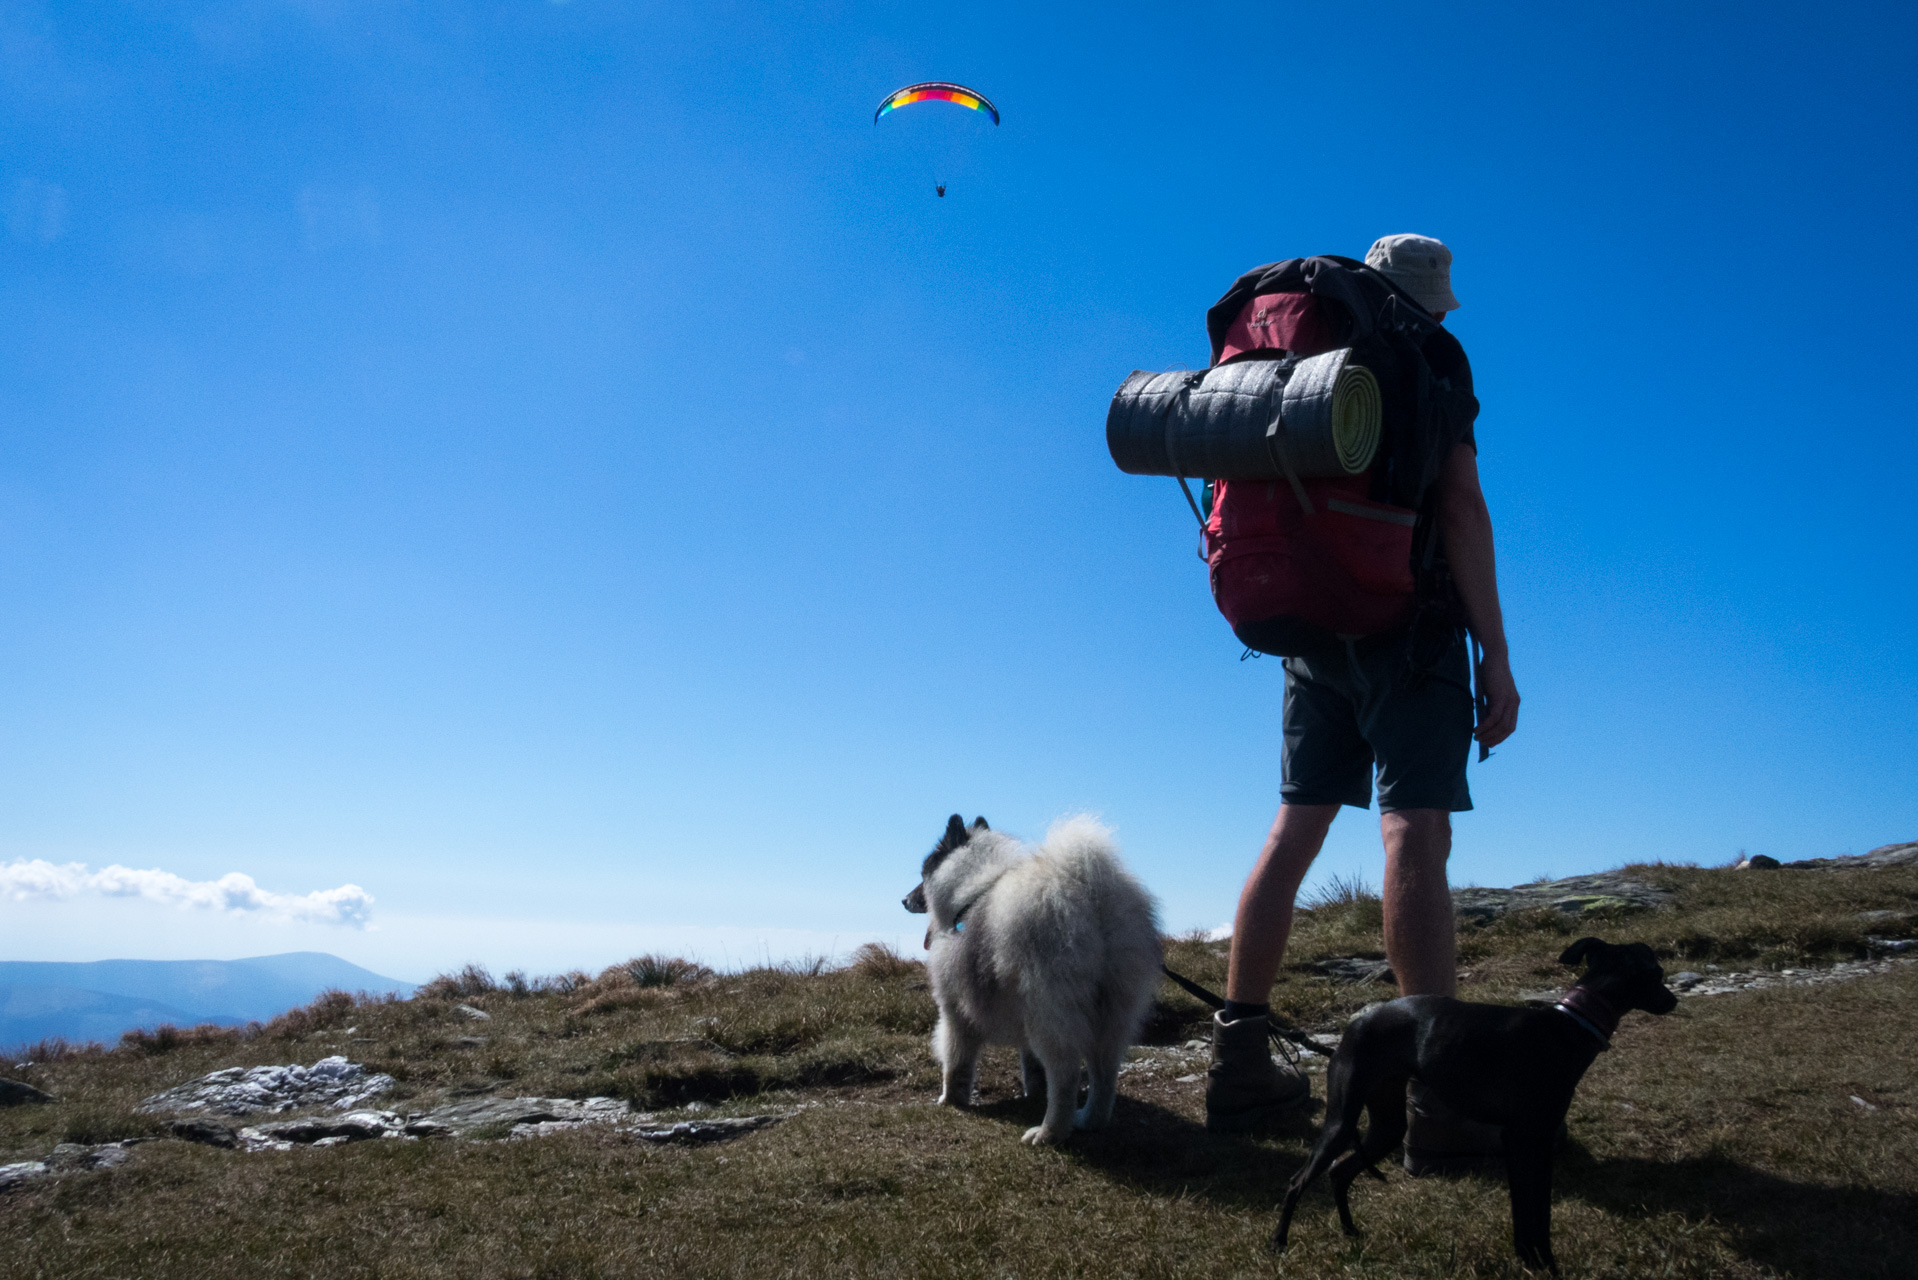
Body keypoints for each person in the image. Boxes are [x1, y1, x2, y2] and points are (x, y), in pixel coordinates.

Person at [1204, 234, 1521, 1173]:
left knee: (1292, 831)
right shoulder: (1425, 350)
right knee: (1412, 833)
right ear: (1432, 299)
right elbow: (1461, 506)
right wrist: (1495, 656)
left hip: (1308, 624)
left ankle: (1238, 1063)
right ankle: (1442, 1101)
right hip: (1407, 622)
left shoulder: (1302, 344)